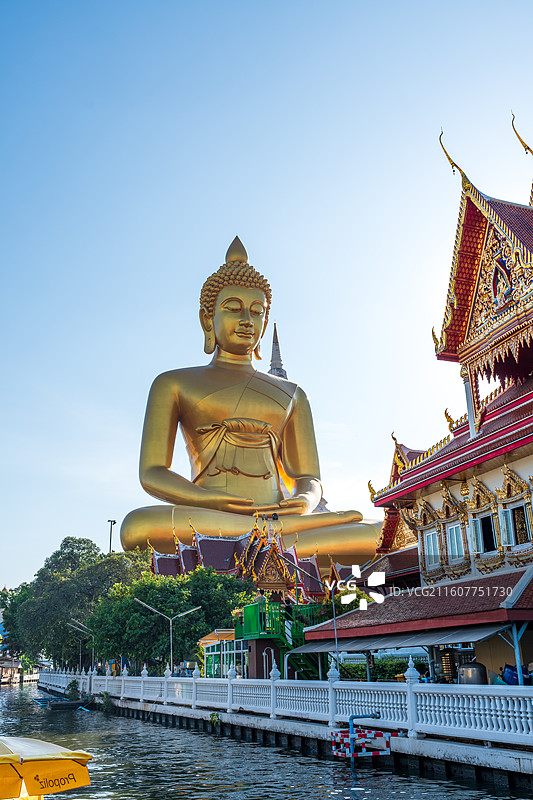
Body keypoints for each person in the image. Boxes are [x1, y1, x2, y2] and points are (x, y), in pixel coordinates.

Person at [120, 237, 379, 567]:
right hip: (210, 516)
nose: (247, 320)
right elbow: (152, 473)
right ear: (206, 319)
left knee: (376, 530)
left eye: (257, 312)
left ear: (264, 321)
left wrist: (303, 500)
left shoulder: (293, 393)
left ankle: (266, 535)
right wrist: (208, 499)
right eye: (232, 309)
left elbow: (309, 478)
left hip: (280, 518)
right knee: (135, 527)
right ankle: (267, 537)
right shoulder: (173, 383)